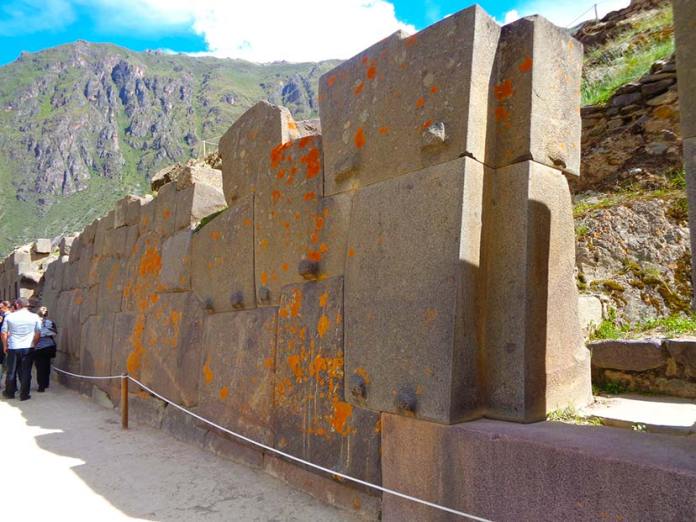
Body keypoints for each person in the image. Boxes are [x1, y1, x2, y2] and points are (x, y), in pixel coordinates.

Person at [1, 297, 41, 401]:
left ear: (18, 305)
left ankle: (10, 392)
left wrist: (5, 345)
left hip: (13, 347)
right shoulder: (35, 317)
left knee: (11, 371)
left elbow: (4, 332)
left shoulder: (10, 317)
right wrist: (34, 344)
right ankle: (24, 394)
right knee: (26, 371)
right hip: (28, 347)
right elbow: (38, 333)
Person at [34, 307, 57, 392]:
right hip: (48, 346)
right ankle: (46, 383)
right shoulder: (50, 322)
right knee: (46, 365)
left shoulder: (34, 322)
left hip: (38, 347)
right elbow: (54, 333)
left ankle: (41, 386)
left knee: (40, 367)